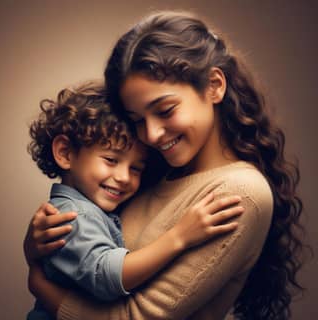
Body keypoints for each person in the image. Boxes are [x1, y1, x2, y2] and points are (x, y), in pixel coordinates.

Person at [23, 11, 305, 320]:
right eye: (137, 120)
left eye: (165, 109)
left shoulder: (239, 192)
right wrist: (37, 249)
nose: (152, 134)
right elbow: (88, 251)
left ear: (214, 85)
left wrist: (41, 286)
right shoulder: (155, 170)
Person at [26, 80, 243, 320]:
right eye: (111, 159)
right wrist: (180, 236)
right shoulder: (74, 217)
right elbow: (107, 277)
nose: (123, 178)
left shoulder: (96, 208)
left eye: (136, 168)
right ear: (65, 153)